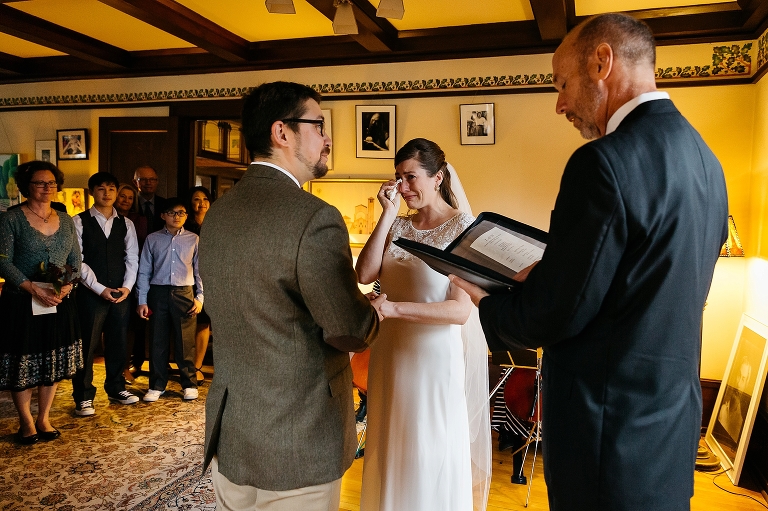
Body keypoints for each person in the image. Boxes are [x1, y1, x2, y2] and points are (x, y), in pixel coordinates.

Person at [450, 13, 728, 511]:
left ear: (602, 62)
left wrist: (486, 299)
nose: (560, 104)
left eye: (562, 84)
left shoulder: (602, 163)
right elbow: (642, 285)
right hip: (668, 430)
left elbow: (555, 315)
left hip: (605, 435)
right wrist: (558, 274)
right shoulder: (706, 159)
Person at [199, 81, 382, 511]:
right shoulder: (315, 218)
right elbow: (348, 330)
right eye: (318, 125)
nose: (327, 138)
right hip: (298, 441)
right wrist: (374, 310)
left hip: (232, 434)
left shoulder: (219, 210)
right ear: (282, 133)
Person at [356, 138, 491, 511]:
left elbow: (459, 312)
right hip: (390, 353)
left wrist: (395, 309)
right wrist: (386, 214)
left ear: (438, 177)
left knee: (425, 446)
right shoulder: (397, 224)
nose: (403, 187)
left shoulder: (464, 228)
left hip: (431, 359)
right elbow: (365, 273)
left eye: (411, 177)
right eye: (398, 178)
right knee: (388, 443)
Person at [0, 160, 83, 444]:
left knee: (52, 360)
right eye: (39, 182)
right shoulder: (11, 219)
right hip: (21, 301)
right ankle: (25, 422)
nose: (47, 187)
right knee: (22, 362)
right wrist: (32, 288)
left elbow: (76, 261)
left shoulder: (67, 219)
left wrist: (67, 287)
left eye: (51, 183)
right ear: (27, 186)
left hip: (58, 301)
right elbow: (3, 262)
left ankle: (43, 418)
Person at [71, 172, 140, 416]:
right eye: (101, 188)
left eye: (112, 188)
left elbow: (132, 258)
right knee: (87, 345)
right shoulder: (78, 221)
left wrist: (127, 288)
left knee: (118, 342)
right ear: (92, 192)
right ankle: (83, 396)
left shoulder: (126, 223)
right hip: (91, 294)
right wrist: (100, 288)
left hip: (121, 293)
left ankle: (116, 387)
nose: (108, 193)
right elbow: (77, 262)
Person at [135, 197, 202, 402]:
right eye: (172, 213)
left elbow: (200, 270)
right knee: (157, 340)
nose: (177, 216)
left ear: (186, 216)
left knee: (185, 342)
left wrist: (200, 297)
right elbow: (144, 271)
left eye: (181, 212)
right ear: (163, 215)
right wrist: (142, 300)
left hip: (185, 292)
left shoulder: (193, 239)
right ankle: (156, 385)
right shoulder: (152, 239)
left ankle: (188, 384)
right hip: (158, 293)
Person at [115, 182, 150, 378]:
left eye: (130, 198)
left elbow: (142, 247)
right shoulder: (106, 219)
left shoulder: (139, 220)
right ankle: (120, 366)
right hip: (112, 276)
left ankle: (134, 364)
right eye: (123, 196)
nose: (126, 200)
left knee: (136, 324)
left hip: (136, 274)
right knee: (119, 324)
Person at [184, 185, 212, 384]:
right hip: (187, 278)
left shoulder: (217, 223)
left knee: (204, 323)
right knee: (187, 322)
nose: (201, 203)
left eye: (204, 199)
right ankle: (185, 366)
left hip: (211, 278)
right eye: (196, 199)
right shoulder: (185, 225)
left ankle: (198, 366)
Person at [133, 165, 165, 233]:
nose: (148, 183)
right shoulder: (129, 203)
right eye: (143, 179)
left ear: (157, 182)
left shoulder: (164, 204)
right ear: (135, 183)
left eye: (152, 179)